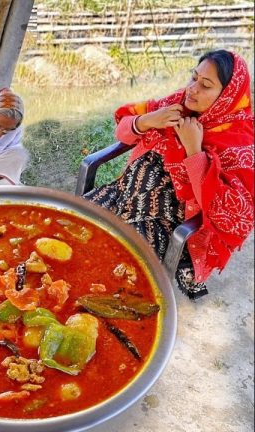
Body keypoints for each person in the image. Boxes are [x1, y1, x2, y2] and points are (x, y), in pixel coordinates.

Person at [84, 50, 253, 299]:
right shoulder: (175, 106)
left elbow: (230, 214)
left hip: (168, 219)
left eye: (205, 85)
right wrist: (147, 121)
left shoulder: (240, 143)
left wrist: (194, 151)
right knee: (75, 228)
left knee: (119, 271)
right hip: (125, 193)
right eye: (193, 78)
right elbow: (123, 133)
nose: (192, 89)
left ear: (227, 96)